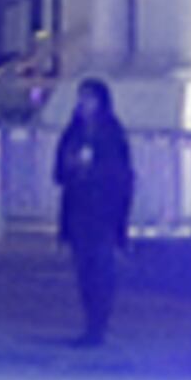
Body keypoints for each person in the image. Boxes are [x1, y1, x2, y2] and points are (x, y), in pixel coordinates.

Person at [53, 78, 134, 347]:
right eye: (81, 98)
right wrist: (72, 165)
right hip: (79, 210)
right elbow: (59, 173)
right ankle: (90, 323)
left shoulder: (111, 133)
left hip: (103, 212)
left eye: (89, 99)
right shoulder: (74, 132)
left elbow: (121, 175)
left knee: (101, 269)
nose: (83, 104)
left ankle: (99, 325)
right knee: (84, 270)